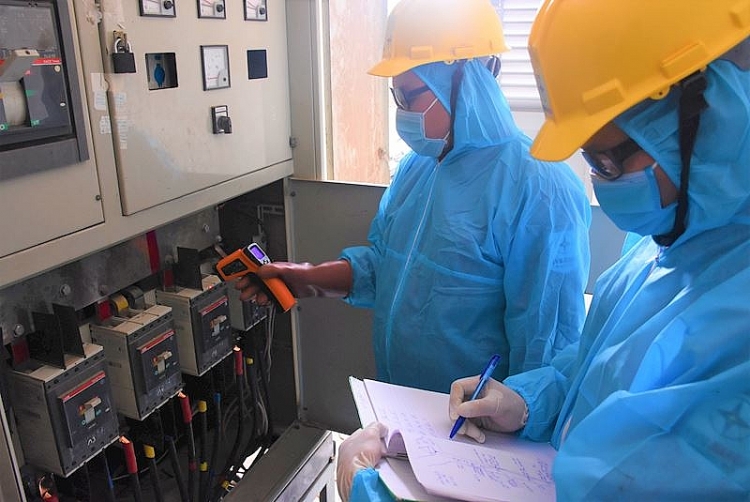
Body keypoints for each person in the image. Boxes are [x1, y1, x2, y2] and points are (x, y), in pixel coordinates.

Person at [338, 1, 750, 500]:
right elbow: (592, 369)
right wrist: (526, 402)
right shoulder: (661, 248)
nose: (600, 185)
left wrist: (366, 488)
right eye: (589, 159)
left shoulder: (734, 327)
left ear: (713, 117)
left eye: (608, 163)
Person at [239, 0, 590, 397]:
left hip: (475, 425)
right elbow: (385, 269)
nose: (402, 113)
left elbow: (545, 348)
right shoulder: (418, 167)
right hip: (405, 409)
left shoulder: (539, 187)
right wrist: (306, 279)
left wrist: (513, 420)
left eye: (411, 96)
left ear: (469, 76)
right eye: (396, 97)